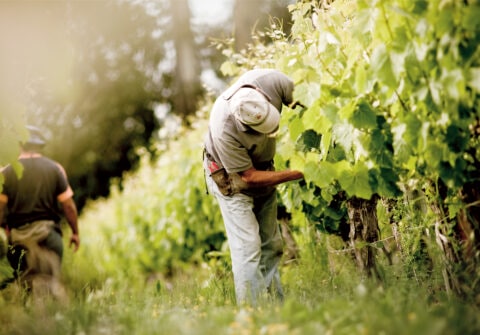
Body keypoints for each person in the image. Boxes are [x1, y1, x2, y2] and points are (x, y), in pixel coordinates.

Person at [203, 69, 304, 305]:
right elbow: (247, 177)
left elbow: (308, 101)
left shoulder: (273, 81)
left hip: (263, 167)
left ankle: (275, 305)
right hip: (231, 177)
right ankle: (250, 313)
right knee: (248, 246)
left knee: (272, 243)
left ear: (264, 97)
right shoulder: (224, 126)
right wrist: (296, 173)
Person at [0, 125, 80, 302]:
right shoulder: (55, 168)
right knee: (51, 288)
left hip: (19, 239)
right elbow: (68, 206)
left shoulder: (6, 172)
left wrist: (4, 229)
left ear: (20, 145)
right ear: (40, 146)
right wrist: (75, 232)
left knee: (25, 291)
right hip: (49, 237)